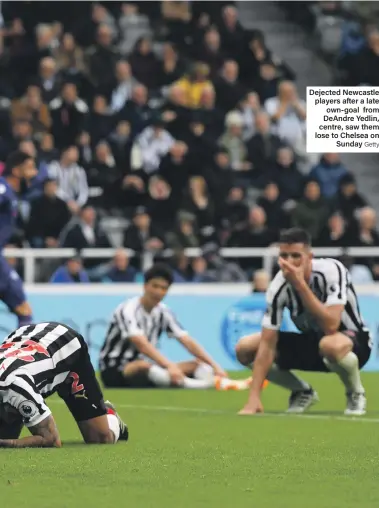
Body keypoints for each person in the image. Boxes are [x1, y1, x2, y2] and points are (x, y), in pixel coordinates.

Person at [236, 227, 371, 417]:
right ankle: (302, 391)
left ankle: (355, 393)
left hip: (354, 344)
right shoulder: (278, 286)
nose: (289, 262)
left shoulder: (331, 271)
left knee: (330, 344)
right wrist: (254, 398)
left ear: (310, 257)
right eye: (284, 256)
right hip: (313, 343)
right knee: (245, 348)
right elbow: (267, 343)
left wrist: (300, 285)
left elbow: (331, 325)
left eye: (296, 256)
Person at [100, 263, 250, 390]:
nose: (159, 292)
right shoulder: (127, 309)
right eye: (155, 286)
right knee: (143, 366)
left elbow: (186, 340)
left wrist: (215, 365)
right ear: (145, 286)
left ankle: (216, 380)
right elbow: (141, 344)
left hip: (151, 367)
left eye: (164, 288)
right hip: (115, 368)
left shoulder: (163, 312)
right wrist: (170, 366)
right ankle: (200, 385)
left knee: (197, 365)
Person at [0, 321, 128, 448]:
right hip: (25, 342)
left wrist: (10, 443)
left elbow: (51, 439)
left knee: (100, 437)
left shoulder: (14, 385)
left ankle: (109, 414)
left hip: (66, 346)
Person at [0, 151, 36, 327]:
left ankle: (16, 353)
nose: (34, 172)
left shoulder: (13, 193)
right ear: (16, 170)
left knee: (24, 310)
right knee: (24, 309)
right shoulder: (3, 188)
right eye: (29, 167)